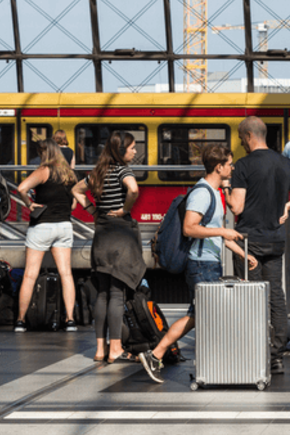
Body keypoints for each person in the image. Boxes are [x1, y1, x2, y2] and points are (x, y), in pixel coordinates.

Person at [138, 145, 257, 383]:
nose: (232, 168)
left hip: (208, 263)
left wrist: (242, 253)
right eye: (229, 164)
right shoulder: (202, 193)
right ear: (218, 167)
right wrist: (225, 230)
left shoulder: (214, 192)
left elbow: (214, 234)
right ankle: (159, 355)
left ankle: (159, 355)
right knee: (203, 315)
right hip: (201, 266)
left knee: (199, 315)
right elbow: (190, 228)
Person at [225, 117, 290, 374]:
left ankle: (253, 351)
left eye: (240, 137)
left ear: (248, 136)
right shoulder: (284, 163)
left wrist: (226, 187)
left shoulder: (243, 166)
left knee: (250, 297)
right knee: (275, 297)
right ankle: (276, 355)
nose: (239, 141)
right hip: (275, 240)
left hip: (249, 243)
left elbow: (236, 206)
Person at [72, 131, 146, 363]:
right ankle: (115, 348)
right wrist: (125, 209)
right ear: (121, 150)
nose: (135, 151)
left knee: (102, 294)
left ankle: (100, 349)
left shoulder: (98, 172)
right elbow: (133, 189)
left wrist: (93, 211)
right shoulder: (124, 171)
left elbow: (75, 190)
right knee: (116, 294)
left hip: (101, 236)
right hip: (119, 236)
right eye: (132, 147)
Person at [14, 139, 78, 333]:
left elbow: (21, 188)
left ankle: (20, 320)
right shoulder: (70, 175)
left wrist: (29, 203)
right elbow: (73, 205)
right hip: (64, 226)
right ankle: (70, 320)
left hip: (42, 227)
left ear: (45, 154)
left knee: (30, 274)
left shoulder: (44, 171)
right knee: (66, 273)